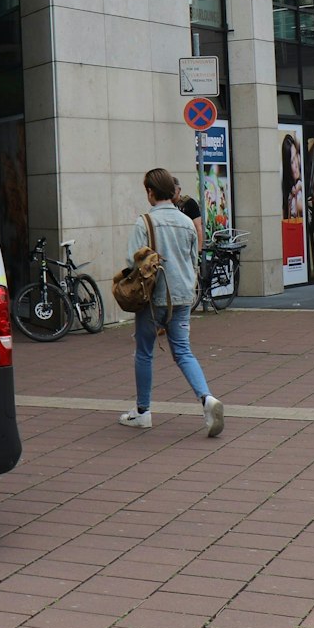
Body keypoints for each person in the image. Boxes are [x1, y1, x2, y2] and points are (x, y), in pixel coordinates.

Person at [122, 168, 225, 437]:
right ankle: (207, 399)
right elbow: (193, 260)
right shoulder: (186, 221)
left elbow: (131, 264)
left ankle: (143, 412)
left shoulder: (144, 222)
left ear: (151, 192)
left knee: (144, 351)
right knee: (183, 352)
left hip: (153, 298)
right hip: (182, 297)